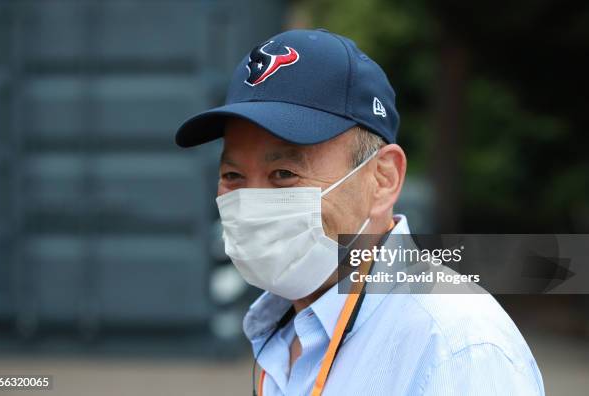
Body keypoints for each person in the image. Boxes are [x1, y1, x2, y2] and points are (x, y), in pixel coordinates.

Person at [175, 29, 544, 396]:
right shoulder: (285, 327)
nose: (252, 202)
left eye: (284, 174)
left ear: (383, 179)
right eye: (232, 175)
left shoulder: (457, 349)